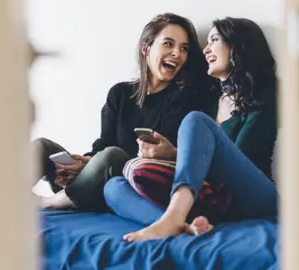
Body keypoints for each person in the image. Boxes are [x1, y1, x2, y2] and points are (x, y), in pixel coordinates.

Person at [104, 17, 278, 241]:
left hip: (254, 195)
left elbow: (242, 159)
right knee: (113, 187)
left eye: (214, 40)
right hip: (212, 199)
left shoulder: (264, 97)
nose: (206, 50)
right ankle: (181, 225)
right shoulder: (208, 98)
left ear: (238, 45)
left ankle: (173, 218)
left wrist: (174, 153)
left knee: (195, 120)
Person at [32, 13, 217, 213]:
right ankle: (5, 196)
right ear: (145, 49)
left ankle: (48, 203)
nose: (177, 53)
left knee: (114, 155)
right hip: (95, 176)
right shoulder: (120, 93)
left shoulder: (184, 99)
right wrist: (82, 164)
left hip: (121, 187)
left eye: (184, 48)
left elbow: (152, 161)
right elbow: (103, 144)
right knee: (42, 146)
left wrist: (103, 162)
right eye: (168, 44)